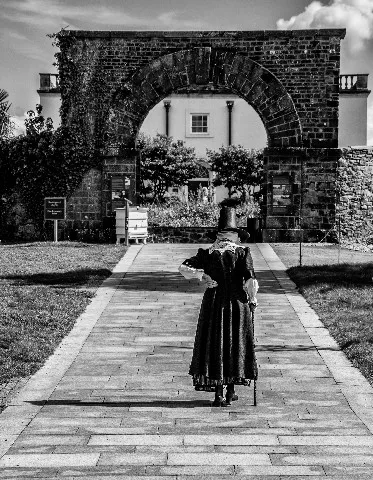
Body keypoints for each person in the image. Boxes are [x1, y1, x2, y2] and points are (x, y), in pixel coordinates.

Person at [179, 206, 259, 406]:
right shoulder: (241, 253)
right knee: (234, 343)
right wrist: (253, 299)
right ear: (235, 235)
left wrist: (201, 276)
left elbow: (183, 267)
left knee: (216, 344)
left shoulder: (208, 253)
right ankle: (229, 391)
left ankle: (219, 394)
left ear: (219, 235)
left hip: (214, 304)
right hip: (236, 304)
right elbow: (250, 280)